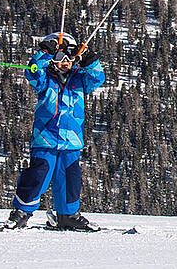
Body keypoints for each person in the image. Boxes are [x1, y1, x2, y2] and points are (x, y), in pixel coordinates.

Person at [6, 32, 106, 231]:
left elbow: (97, 78)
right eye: (60, 58)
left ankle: (68, 215)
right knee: (38, 175)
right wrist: (43, 53)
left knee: (70, 178)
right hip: (46, 137)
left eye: (69, 57)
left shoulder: (80, 79)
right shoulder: (46, 79)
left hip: (71, 140)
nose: (65, 62)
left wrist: (91, 61)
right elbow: (32, 73)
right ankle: (22, 211)